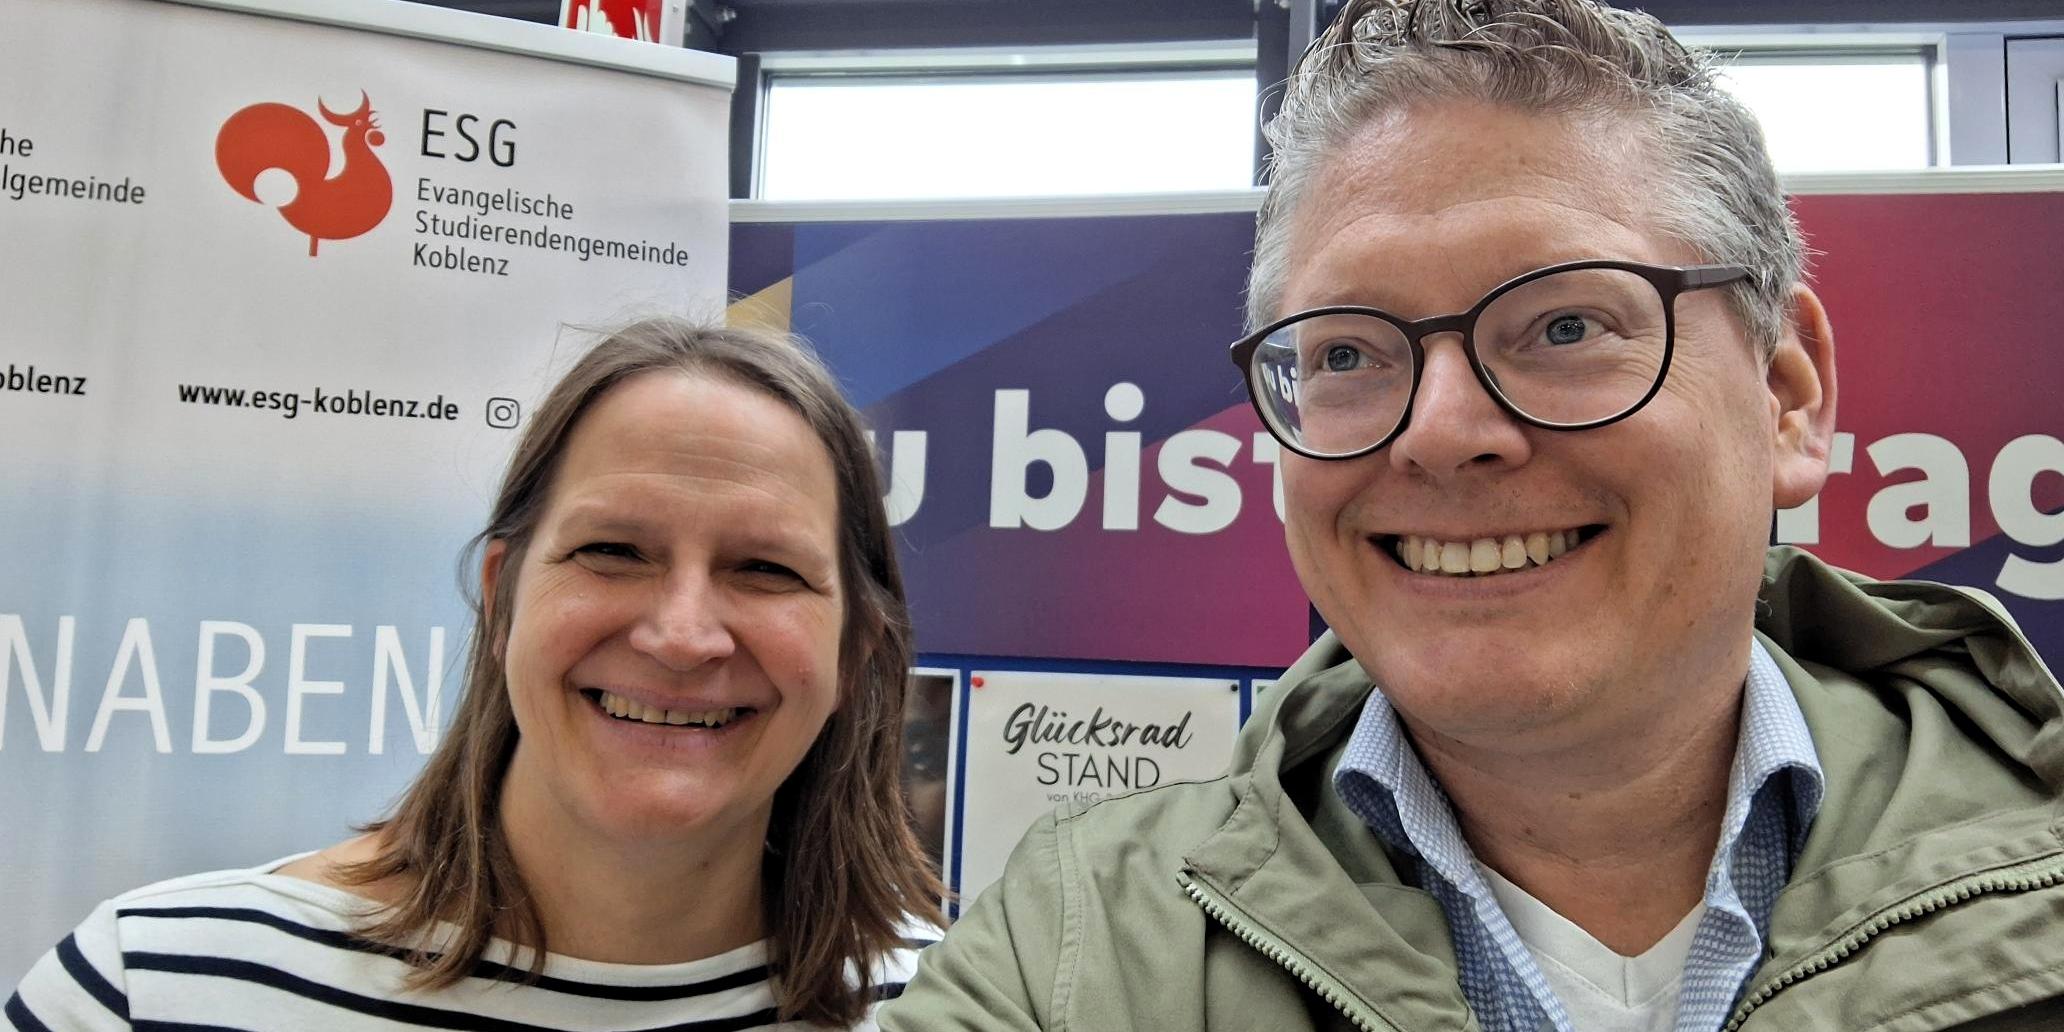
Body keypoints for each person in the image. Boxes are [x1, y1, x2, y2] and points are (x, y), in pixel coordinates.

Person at [880, 2, 2064, 1030]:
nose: (1439, 432)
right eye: (1345, 349)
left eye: (1565, 326)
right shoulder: (1073, 950)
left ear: (1787, 395)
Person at [8, 319, 943, 1030]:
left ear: (856, 645)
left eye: (766, 570)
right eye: (614, 550)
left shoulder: (951, 1006)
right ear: (501, 596)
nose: (682, 634)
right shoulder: (155, 989)